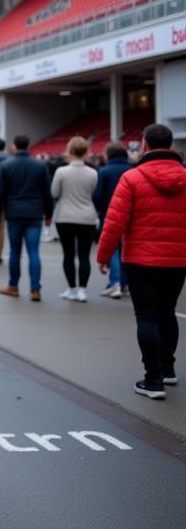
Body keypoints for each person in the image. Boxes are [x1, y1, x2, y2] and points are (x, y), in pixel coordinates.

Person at [97, 123, 186, 400]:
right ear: (170, 146)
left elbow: (115, 222)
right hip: (177, 260)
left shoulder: (132, 178)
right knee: (168, 312)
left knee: (146, 316)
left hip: (140, 260)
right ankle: (169, 368)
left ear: (145, 145)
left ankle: (153, 379)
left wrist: (103, 255)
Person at [0, 134, 53, 302]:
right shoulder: (40, 166)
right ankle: (35, 290)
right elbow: (47, 193)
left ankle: (13, 286)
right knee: (34, 252)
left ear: (14, 146)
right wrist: (49, 214)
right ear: (28, 145)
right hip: (35, 214)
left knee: (15, 252)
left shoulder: (6, 166)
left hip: (15, 213)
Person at [51, 136, 98, 302]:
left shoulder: (61, 172)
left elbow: (55, 193)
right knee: (84, 255)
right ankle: (83, 290)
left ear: (69, 151)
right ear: (86, 152)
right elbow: (94, 194)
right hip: (87, 217)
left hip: (65, 217)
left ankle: (71, 289)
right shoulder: (93, 173)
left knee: (68, 254)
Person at [93, 141, 133, 298]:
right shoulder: (133, 170)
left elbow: (97, 196)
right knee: (125, 249)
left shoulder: (104, 171)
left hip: (109, 214)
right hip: (130, 216)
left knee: (113, 249)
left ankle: (115, 283)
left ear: (108, 154)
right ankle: (124, 283)